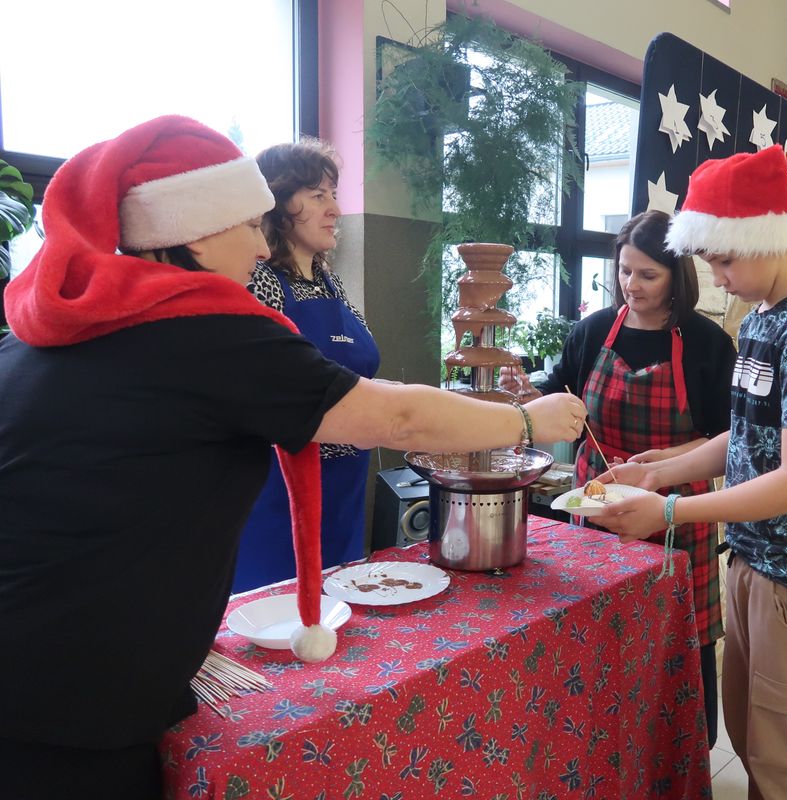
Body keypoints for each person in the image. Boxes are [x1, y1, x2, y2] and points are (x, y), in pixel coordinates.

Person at [0, 116, 585, 800]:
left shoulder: (36, 337)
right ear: (194, 233)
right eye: (251, 225)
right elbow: (392, 416)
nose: (261, 244)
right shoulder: (207, 331)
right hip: (71, 695)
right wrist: (526, 419)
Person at [592, 145, 787, 800]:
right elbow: (749, 437)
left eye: (724, 260)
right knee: (754, 742)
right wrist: (663, 471)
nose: (717, 279)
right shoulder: (764, 320)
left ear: (765, 239)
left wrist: (669, 511)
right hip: (753, 562)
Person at [499, 209, 737, 749]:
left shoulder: (707, 343)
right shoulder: (592, 331)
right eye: (625, 271)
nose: (632, 285)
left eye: (648, 274)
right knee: (604, 626)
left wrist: (658, 464)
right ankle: (604, 748)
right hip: (597, 499)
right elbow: (559, 397)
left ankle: (683, 752)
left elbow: (726, 438)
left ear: (677, 276)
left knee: (679, 632)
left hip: (677, 506)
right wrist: (526, 394)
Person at [233, 139, 379, 592]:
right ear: (277, 204)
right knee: (277, 612)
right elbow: (255, 396)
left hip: (345, 490)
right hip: (281, 494)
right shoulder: (259, 284)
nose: (335, 209)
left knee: (340, 608)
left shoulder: (331, 284)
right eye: (318, 196)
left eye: (333, 194)